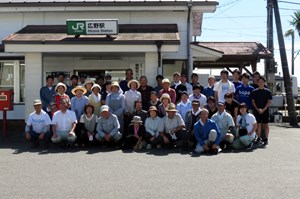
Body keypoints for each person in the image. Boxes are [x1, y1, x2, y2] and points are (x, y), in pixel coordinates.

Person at [251, 77, 272, 145]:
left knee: (265, 124)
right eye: (259, 81)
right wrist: (257, 109)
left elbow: (269, 101)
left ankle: (266, 138)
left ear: (264, 82)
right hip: (256, 110)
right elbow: (253, 101)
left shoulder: (268, 91)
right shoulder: (254, 91)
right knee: (258, 124)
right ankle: (258, 137)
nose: (260, 83)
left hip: (265, 110)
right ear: (257, 83)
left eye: (262, 81)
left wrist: (263, 109)